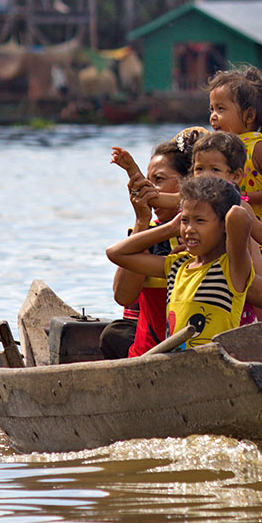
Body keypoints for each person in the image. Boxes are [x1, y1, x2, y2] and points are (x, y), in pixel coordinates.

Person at [106, 176, 262, 347]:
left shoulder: (232, 268)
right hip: (179, 362)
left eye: (200, 220)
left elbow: (238, 215)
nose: (189, 229)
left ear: (224, 225)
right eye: (185, 220)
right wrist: (169, 228)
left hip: (215, 362)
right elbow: (116, 253)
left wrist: (226, 201)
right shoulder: (176, 265)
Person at [207, 64, 262, 308]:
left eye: (221, 109)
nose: (213, 116)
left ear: (249, 116)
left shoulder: (258, 148)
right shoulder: (218, 149)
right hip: (231, 242)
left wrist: (244, 197)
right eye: (212, 109)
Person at [101, 138, 193, 358]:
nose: (149, 190)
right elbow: (123, 296)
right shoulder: (145, 233)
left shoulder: (212, 233)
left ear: (189, 183)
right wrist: (142, 221)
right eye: (147, 181)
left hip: (196, 343)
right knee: (114, 335)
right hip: (150, 350)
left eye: (158, 180)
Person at [190, 130, 262, 322]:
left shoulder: (239, 205)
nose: (206, 176)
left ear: (236, 176)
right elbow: (161, 199)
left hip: (236, 272)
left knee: (244, 317)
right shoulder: (189, 204)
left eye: (215, 170)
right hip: (205, 275)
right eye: (199, 169)